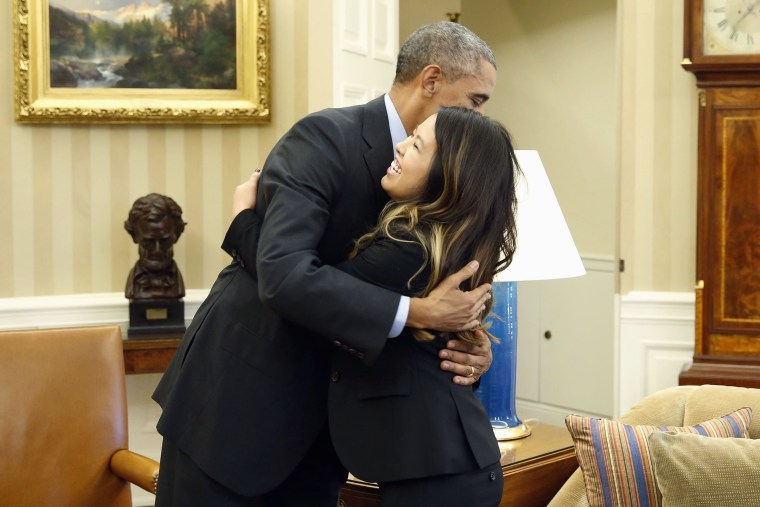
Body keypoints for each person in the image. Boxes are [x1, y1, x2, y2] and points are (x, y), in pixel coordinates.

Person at [153, 22, 499, 506]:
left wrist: (466, 346)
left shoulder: (452, 173)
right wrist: (415, 313)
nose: (480, 114)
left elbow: (426, 287)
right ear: (432, 80)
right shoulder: (323, 137)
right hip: (235, 410)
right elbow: (285, 276)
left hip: (329, 429)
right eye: (477, 99)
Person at [253, 107, 519, 505]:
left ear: (446, 175)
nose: (399, 145)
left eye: (416, 145)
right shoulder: (441, 243)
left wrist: (244, 224)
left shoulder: (408, 248)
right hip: (445, 467)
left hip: (437, 472)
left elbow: (306, 293)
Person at [124, 193, 186, 300]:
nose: (157, 250)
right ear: (134, 236)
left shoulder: (177, 282)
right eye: (148, 242)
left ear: (177, 236)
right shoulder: (133, 285)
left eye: (165, 241)